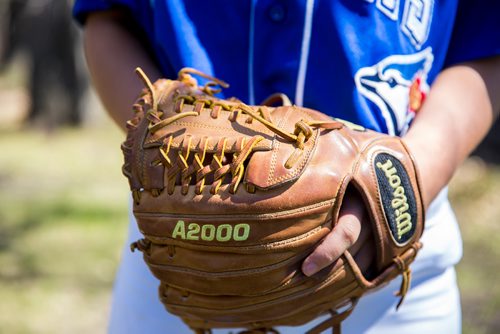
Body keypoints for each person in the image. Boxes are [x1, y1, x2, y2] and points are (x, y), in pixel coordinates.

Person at [73, 1, 500, 333]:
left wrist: (399, 188)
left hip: (383, 266)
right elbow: (109, 17)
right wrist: (158, 135)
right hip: (183, 247)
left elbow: (486, 41)